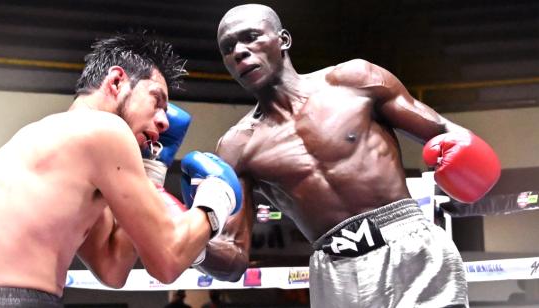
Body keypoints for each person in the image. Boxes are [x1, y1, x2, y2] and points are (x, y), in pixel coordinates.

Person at [194, 4, 502, 308]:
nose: (239, 51)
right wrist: (190, 241)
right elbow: (233, 259)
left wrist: (463, 153)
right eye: (228, 47)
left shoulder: (354, 81)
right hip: (336, 271)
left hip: (411, 250)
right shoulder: (236, 147)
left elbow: (445, 131)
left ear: (283, 40)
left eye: (251, 37)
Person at [0, 31, 241, 307]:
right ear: (117, 81)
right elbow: (168, 260)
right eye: (157, 101)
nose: (164, 122)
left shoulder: (59, 145)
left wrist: (152, 172)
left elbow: (112, 268)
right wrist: (217, 198)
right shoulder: (105, 129)